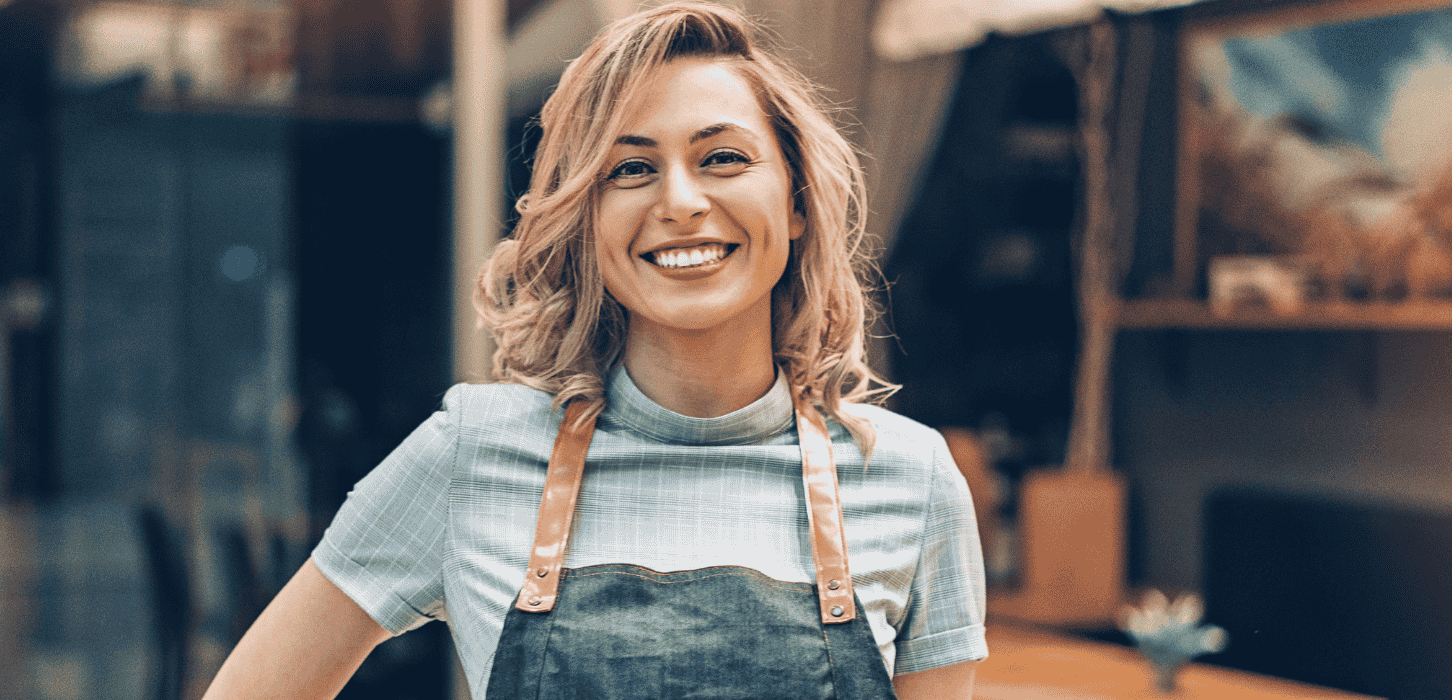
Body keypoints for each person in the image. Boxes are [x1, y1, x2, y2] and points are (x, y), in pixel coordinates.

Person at [202, 3, 986, 699]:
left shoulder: (910, 482)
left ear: (798, 205)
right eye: (631, 169)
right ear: (586, 219)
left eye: (723, 158)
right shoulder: (471, 455)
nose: (680, 201)